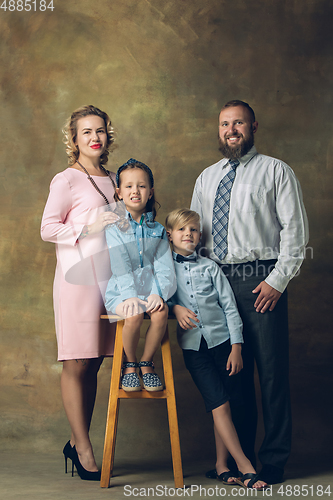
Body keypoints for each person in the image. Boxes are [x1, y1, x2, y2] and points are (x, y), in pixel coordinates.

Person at [190, 100, 309, 485]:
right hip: (216, 283)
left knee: (271, 373)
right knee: (233, 374)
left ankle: (273, 460)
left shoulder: (276, 171)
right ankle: (244, 462)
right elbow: (192, 235)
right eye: (224, 124)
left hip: (261, 280)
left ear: (253, 126)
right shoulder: (206, 178)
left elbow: (295, 231)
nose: (231, 129)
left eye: (238, 122)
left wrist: (278, 280)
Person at [41, 105, 120, 480]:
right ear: (74, 139)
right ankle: (82, 446)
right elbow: (47, 228)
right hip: (77, 282)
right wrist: (87, 228)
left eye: (100, 130)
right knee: (77, 361)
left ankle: (77, 442)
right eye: (86, 131)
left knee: (96, 361)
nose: (94, 137)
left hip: (111, 281)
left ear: (108, 136)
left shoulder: (115, 178)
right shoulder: (66, 180)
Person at [165, 208, 267, 490]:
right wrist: (175, 308)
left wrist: (237, 346)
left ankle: (222, 466)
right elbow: (159, 299)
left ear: (200, 235)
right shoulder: (165, 268)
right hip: (193, 348)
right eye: (182, 230)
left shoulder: (211, 268)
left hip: (223, 343)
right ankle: (246, 466)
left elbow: (230, 308)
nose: (189, 234)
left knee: (226, 405)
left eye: (194, 230)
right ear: (170, 234)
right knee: (218, 404)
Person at [104, 159, 176, 392]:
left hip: (150, 291)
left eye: (142, 186)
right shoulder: (114, 228)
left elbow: (164, 266)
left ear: (150, 191)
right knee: (133, 313)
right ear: (119, 193)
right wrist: (130, 296)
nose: (135, 191)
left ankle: (146, 362)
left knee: (161, 311)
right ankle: (131, 363)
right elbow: (121, 266)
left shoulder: (158, 230)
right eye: (129, 186)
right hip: (122, 292)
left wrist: (158, 293)